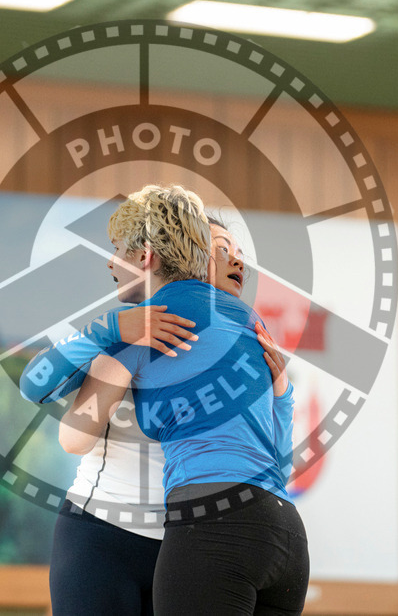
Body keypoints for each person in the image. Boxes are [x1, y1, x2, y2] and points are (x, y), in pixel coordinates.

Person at [28, 185, 307, 615]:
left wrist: (283, 391)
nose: (237, 262)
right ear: (186, 253)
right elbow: (70, 432)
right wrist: (111, 332)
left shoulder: (244, 332)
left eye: (238, 254)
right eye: (220, 249)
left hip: (187, 537)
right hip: (108, 530)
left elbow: (275, 469)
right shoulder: (137, 323)